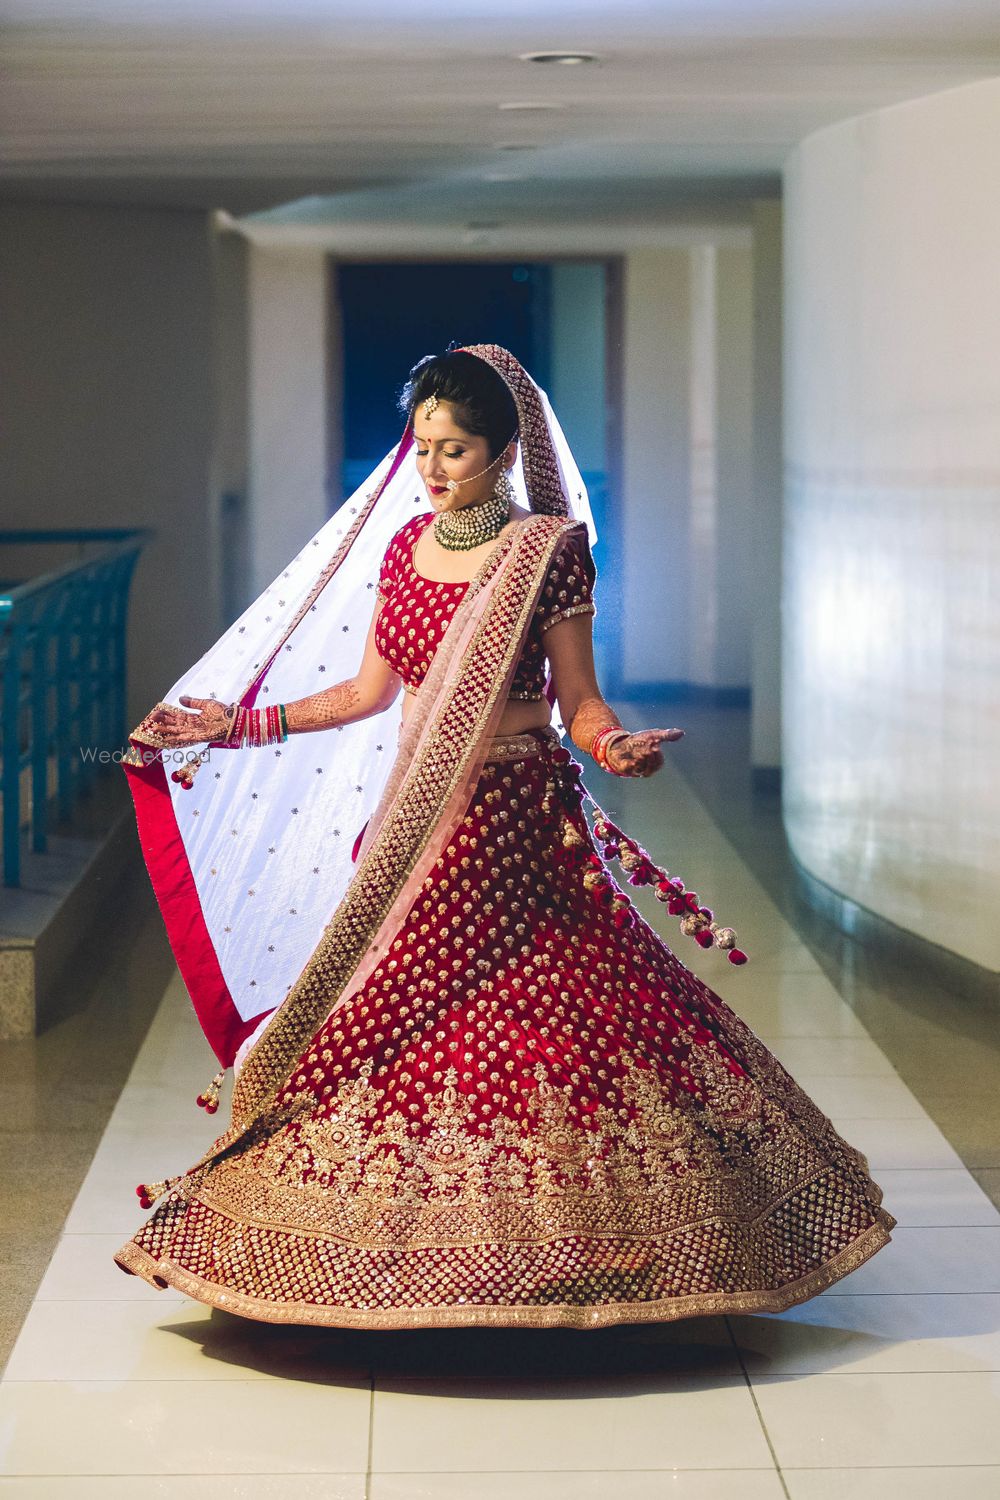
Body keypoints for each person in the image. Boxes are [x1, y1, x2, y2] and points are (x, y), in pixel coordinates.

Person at [115, 343, 896, 1328]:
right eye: (422, 444)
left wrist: (614, 749)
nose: (432, 468)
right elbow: (368, 694)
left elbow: (579, 701)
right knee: (388, 1014)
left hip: (512, 821)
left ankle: (586, 1241)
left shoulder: (546, 549)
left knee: (545, 1015)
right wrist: (239, 722)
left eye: (455, 449)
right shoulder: (403, 548)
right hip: (411, 820)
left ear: (501, 450)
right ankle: (360, 1238)